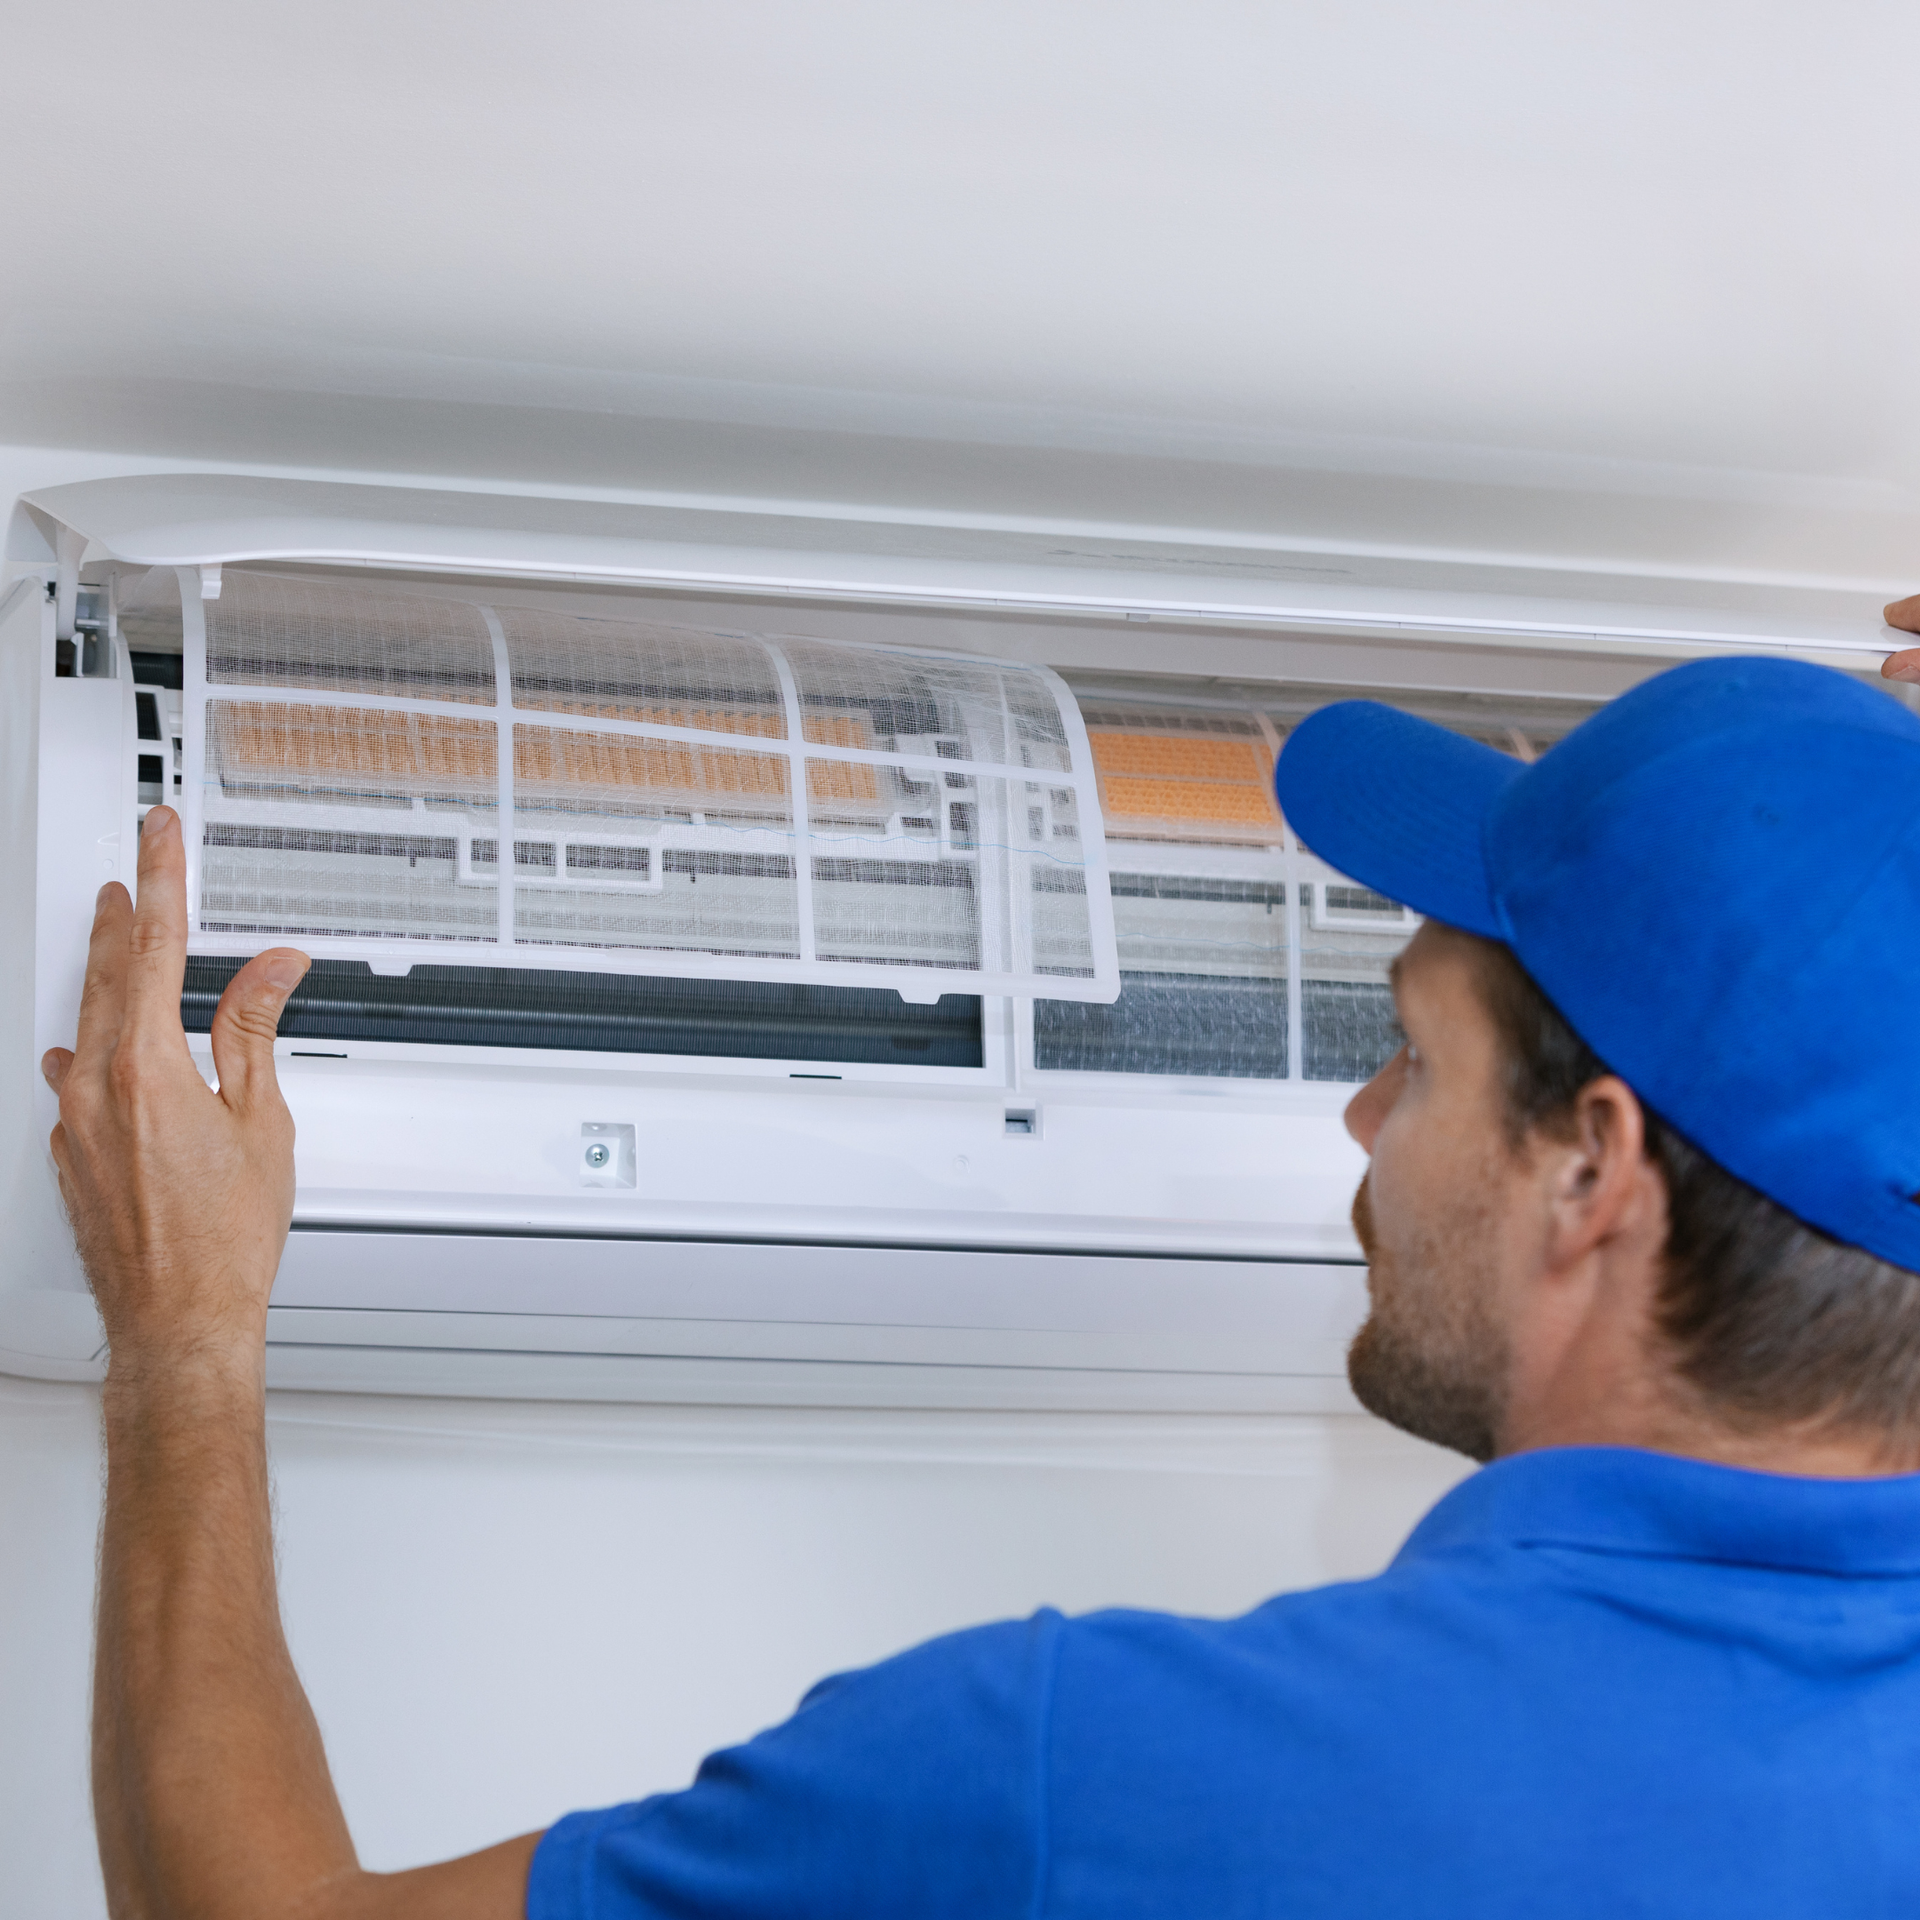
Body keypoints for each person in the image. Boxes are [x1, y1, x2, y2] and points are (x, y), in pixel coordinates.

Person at [42, 610, 1920, 1920]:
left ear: (1593, 1164)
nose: (1364, 1122)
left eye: (1413, 1053)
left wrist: (182, 1336)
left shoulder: (1095, 1776)